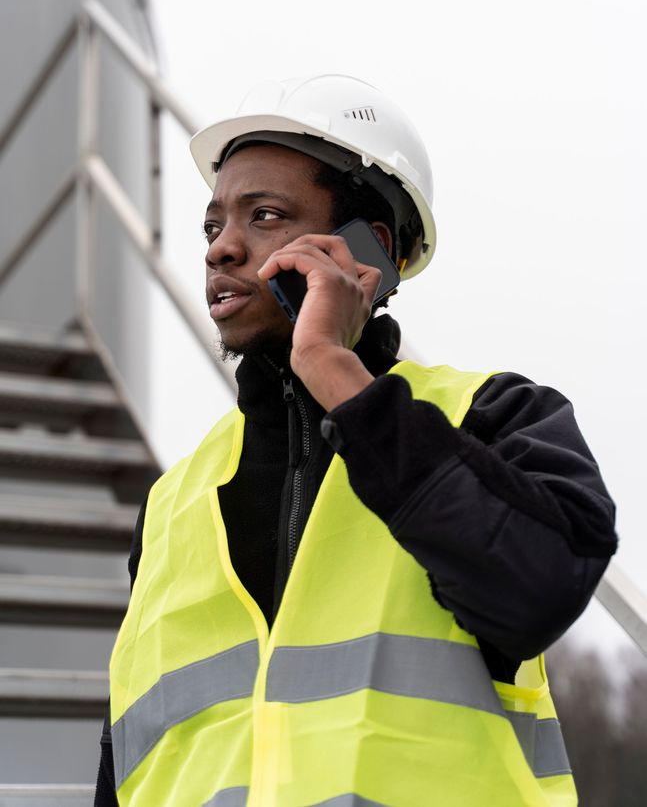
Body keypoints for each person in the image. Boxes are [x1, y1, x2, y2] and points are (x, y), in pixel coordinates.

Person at [95, 75, 617, 807]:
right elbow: (126, 760)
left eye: (265, 215)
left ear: (367, 249)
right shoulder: (170, 503)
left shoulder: (491, 413)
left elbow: (535, 591)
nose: (222, 250)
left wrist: (335, 371)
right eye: (213, 227)